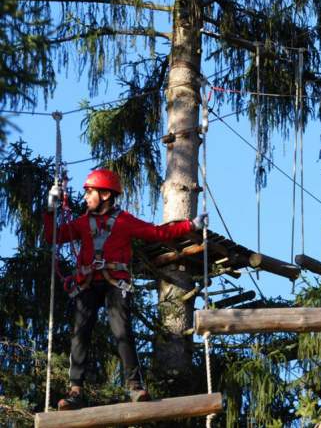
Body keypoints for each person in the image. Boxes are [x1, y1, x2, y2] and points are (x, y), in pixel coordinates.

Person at [44, 169, 207, 410]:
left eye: (90, 192)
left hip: (114, 283)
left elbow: (157, 233)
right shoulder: (81, 223)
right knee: (81, 332)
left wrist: (190, 225)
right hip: (88, 283)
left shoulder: (124, 222)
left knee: (121, 330)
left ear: (106, 195)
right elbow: (52, 237)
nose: (86, 197)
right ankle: (75, 390)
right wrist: (50, 208)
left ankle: (134, 386)